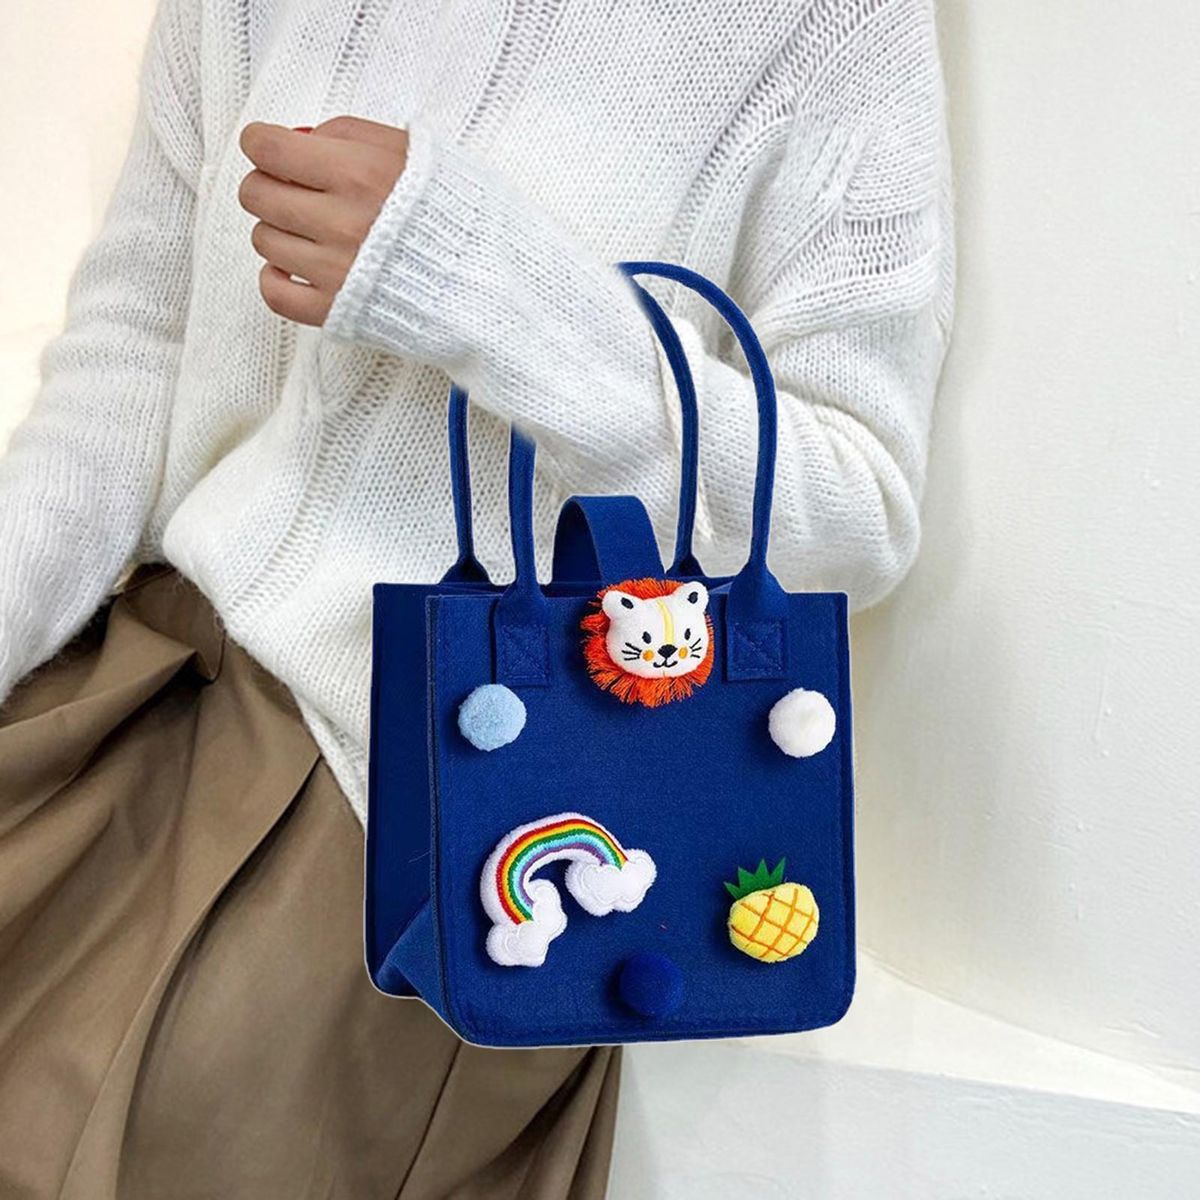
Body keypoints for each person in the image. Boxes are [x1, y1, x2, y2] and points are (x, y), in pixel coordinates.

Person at [0, 0, 955, 1195]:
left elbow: (852, 509)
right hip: (144, 675)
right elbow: (135, 350)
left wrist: (477, 279)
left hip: (429, 813)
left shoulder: (824, 24)